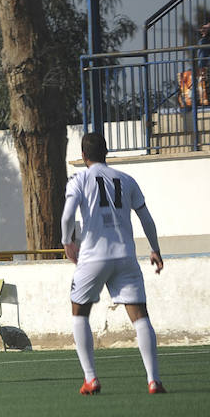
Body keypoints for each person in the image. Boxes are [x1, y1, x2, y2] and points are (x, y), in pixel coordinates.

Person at [62, 133, 166, 395]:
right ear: (106, 152)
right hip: (125, 256)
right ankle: (153, 380)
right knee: (140, 317)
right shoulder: (127, 179)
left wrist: (67, 242)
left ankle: (91, 379)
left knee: (79, 312)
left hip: (93, 256)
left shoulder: (79, 178)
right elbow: (147, 218)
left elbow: (67, 215)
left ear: (83, 156)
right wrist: (155, 249)